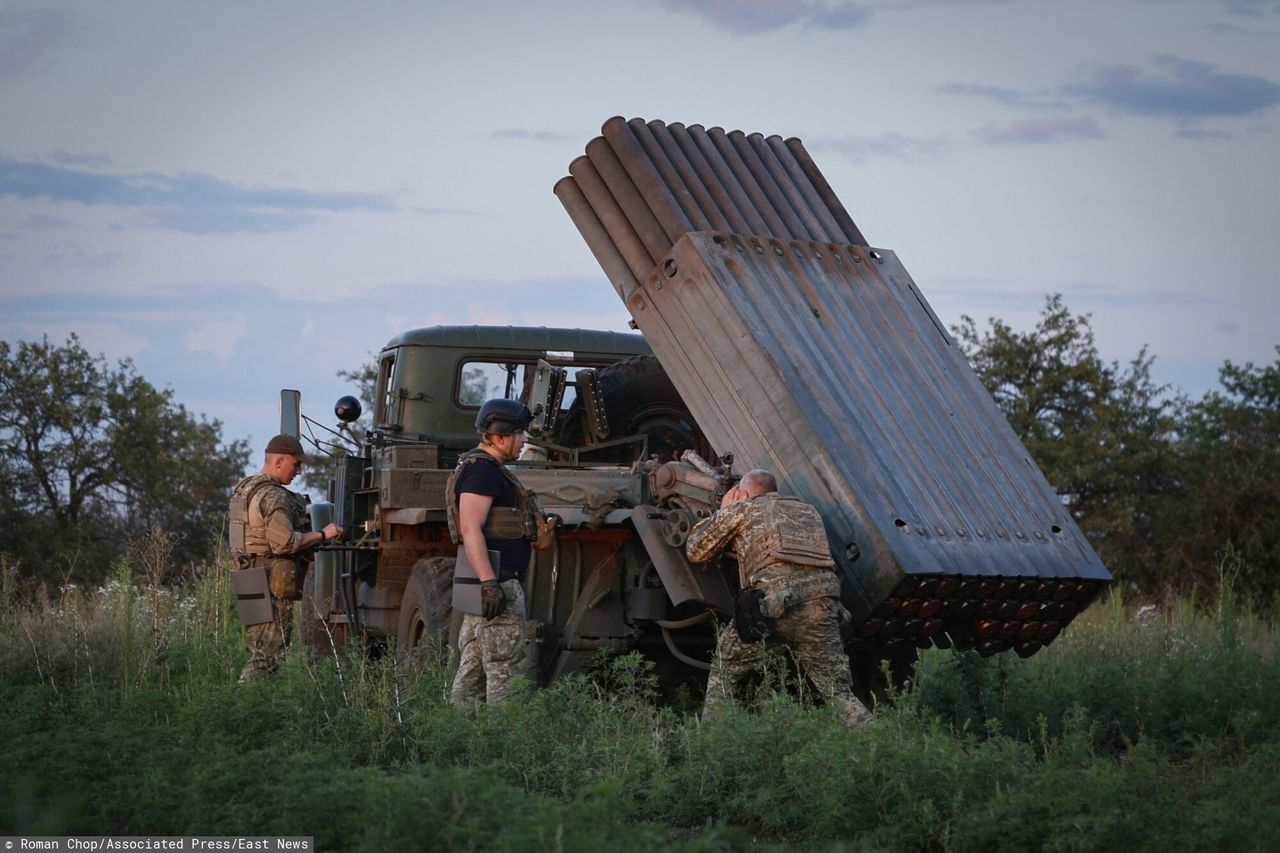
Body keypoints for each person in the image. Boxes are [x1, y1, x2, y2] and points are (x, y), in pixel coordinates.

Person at [686, 469, 872, 728]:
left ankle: (712, 740)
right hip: (822, 609)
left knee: (724, 666)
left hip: (773, 610)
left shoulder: (744, 509)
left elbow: (696, 550)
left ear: (745, 493)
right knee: (838, 694)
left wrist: (725, 510)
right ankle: (880, 746)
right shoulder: (808, 511)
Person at [446, 398, 544, 705]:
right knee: (507, 682)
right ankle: (503, 748)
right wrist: (490, 583)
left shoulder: (484, 469)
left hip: (490, 587)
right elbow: (470, 528)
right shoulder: (483, 472)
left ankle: (461, 742)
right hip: (498, 586)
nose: (524, 439)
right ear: (500, 435)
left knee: (471, 678)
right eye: (520, 432)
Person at [229, 434, 342, 683]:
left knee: (258, 650)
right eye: (296, 464)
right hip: (270, 583)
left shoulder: (244, 490)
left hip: (249, 579)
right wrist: (324, 533)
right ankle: (243, 706)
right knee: (268, 658)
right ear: (279, 461)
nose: (299, 471)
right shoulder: (274, 497)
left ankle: (249, 708)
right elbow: (285, 543)